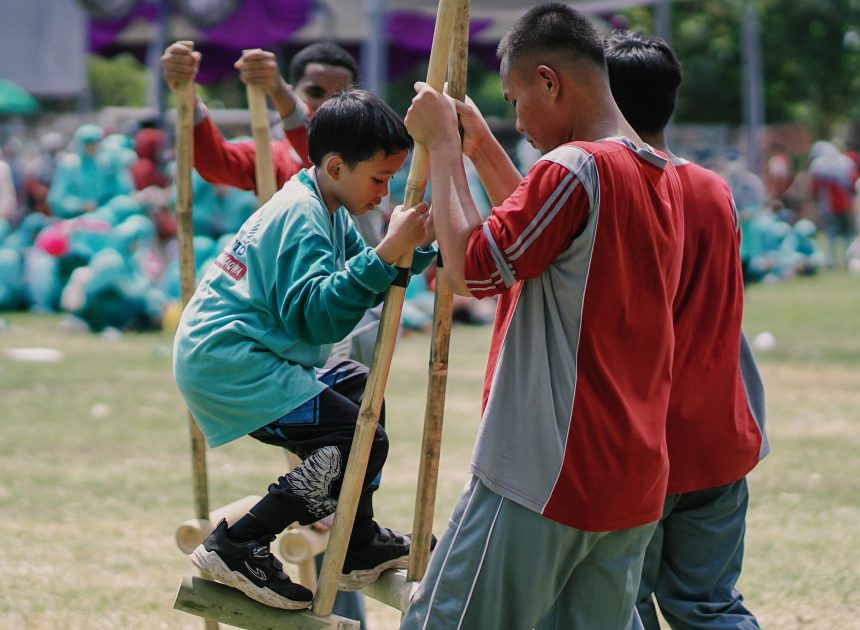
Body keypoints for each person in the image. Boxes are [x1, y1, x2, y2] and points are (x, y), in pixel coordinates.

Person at [401, 4, 684, 628]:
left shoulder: (576, 165)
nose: (518, 120)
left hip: (547, 472)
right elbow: (538, 248)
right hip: (629, 480)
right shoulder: (657, 173)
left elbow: (473, 270)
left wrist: (444, 146)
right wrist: (476, 150)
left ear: (550, 81)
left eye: (515, 97)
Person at [174, 90, 436, 611]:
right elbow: (316, 314)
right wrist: (388, 250)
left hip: (251, 355)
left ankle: (357, 541)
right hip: (231, 362)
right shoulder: (302, 216)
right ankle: (238, 542)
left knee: (362, 394)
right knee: (353, 438)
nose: (384, 195)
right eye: (379, 180)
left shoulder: (328, 206)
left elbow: (369, 277)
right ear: (336, 165)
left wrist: (420, 247)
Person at [604, 30, 769, 629]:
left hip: (642, 443)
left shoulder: (616, 189)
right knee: (710, 605)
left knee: (622, 608)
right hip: (720, 433)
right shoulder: (714, 190)